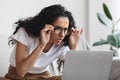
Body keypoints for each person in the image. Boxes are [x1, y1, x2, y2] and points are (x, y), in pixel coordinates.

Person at [5, 4, 83, 80]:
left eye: (65, 29)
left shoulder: (63, 43)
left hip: (42, 77)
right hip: (16, 77)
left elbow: (72, 76)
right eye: (57, 28)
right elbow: (21, 72)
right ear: (46, 26)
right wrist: (42, 44)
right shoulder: (25, 33)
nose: (62, 34)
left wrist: (73, 47)